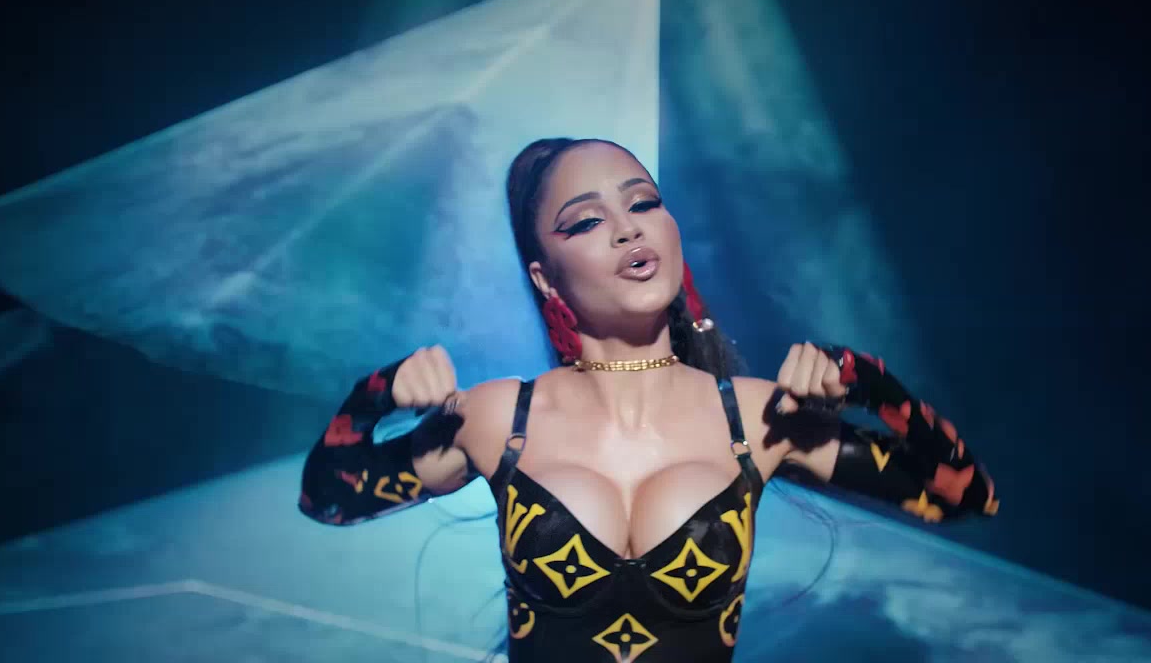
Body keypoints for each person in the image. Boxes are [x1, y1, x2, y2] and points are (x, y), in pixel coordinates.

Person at [299, 138, 999, 662]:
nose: (627, 228)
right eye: (585, 222)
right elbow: (325, 499)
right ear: (545, 279)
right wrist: (374, 396)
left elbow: (966, 497)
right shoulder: (498, 418)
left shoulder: (758, 418)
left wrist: (872, 383)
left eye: (643, 203)